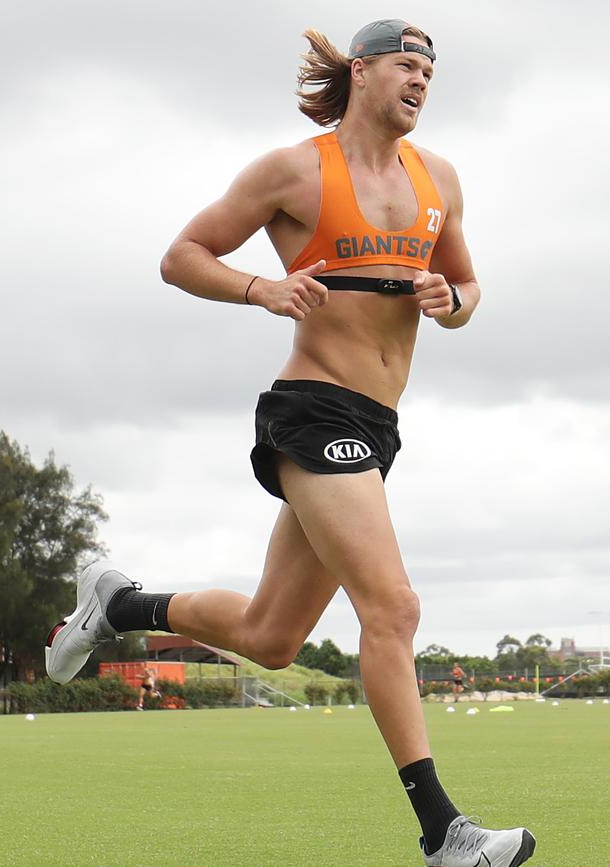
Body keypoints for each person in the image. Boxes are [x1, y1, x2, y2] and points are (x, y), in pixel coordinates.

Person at [45, 19, 536, 866]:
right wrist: (258, 288)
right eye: (405, 65)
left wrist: (446, 300)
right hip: (312, 410)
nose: (420, 80)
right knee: (394, 606)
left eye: (430, 69)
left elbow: (468, 287)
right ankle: (443, 831)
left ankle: (118, 604)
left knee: (273, 637)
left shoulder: (439, 180)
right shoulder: (294, 170)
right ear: (361, 71)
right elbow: (181, 255)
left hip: (376, 427)